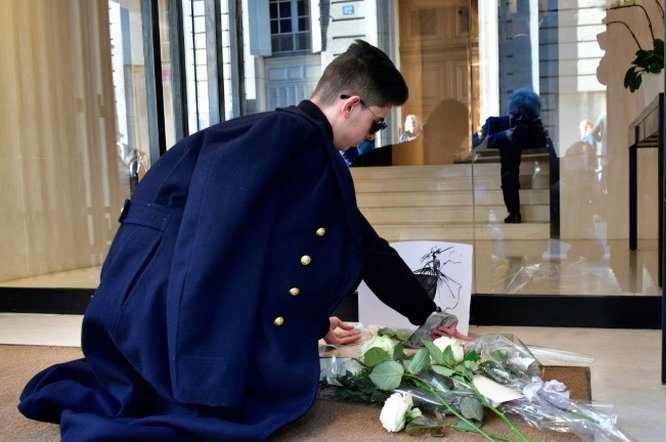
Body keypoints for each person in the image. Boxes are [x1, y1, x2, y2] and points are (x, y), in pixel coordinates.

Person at [17, 40, 468, 441]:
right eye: (377, 124)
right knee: (238, 409)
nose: (371, 137)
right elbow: (222, 252)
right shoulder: (301, 144)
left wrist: (412, 315)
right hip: (170, 323)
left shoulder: (270, 135)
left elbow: (267, 251)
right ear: (350, 105)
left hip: (139, 314)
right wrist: (204, 373)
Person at [472, 89, 554, 223]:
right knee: (509, 150)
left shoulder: (534, 128)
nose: (518, 121)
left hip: (531, 176)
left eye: (524, 117)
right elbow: (475, 143)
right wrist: (503, 136)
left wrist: (538, 136)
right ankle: (513, 211)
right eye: (515, 115)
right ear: (508, 112)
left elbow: (547, 155)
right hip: (492, 175)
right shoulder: (495, 123)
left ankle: (514, 211)